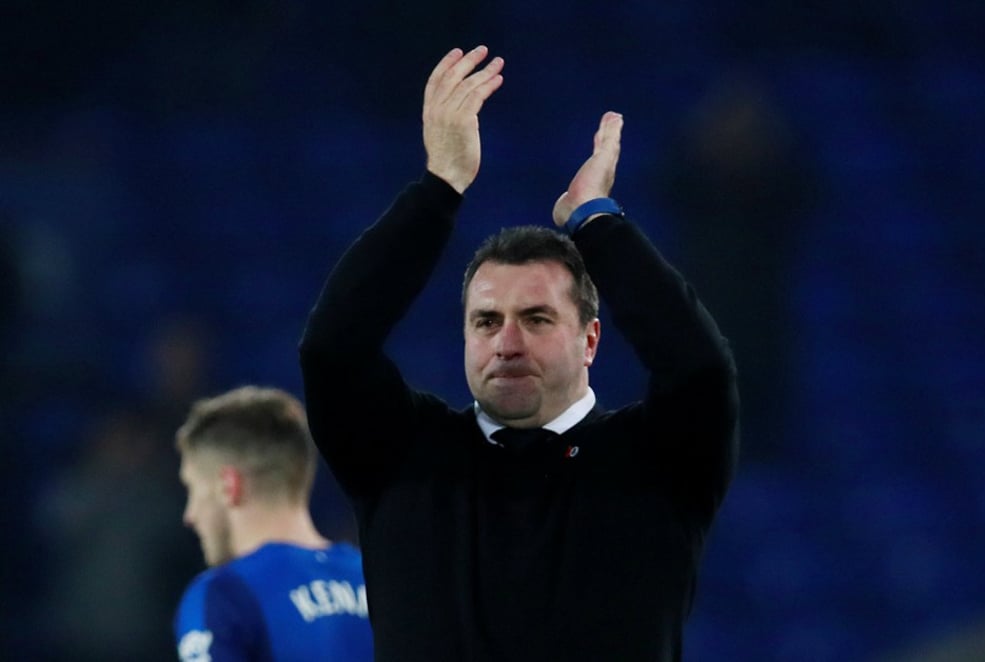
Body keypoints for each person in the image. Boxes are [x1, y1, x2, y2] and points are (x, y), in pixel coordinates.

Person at [299, 45, 740, 661]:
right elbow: (333, 346)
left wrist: (596, 222)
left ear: (590, 339)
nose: (506, 343)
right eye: (486, 321)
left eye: (536, 319)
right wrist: (440, 188)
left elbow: (698, 367)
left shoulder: (655, 463)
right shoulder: (403, 455)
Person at [173, 386, 374, 661]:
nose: (190, 515)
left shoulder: (225, 594)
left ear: (228, 486)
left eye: (193, 490)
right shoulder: (377, 581)